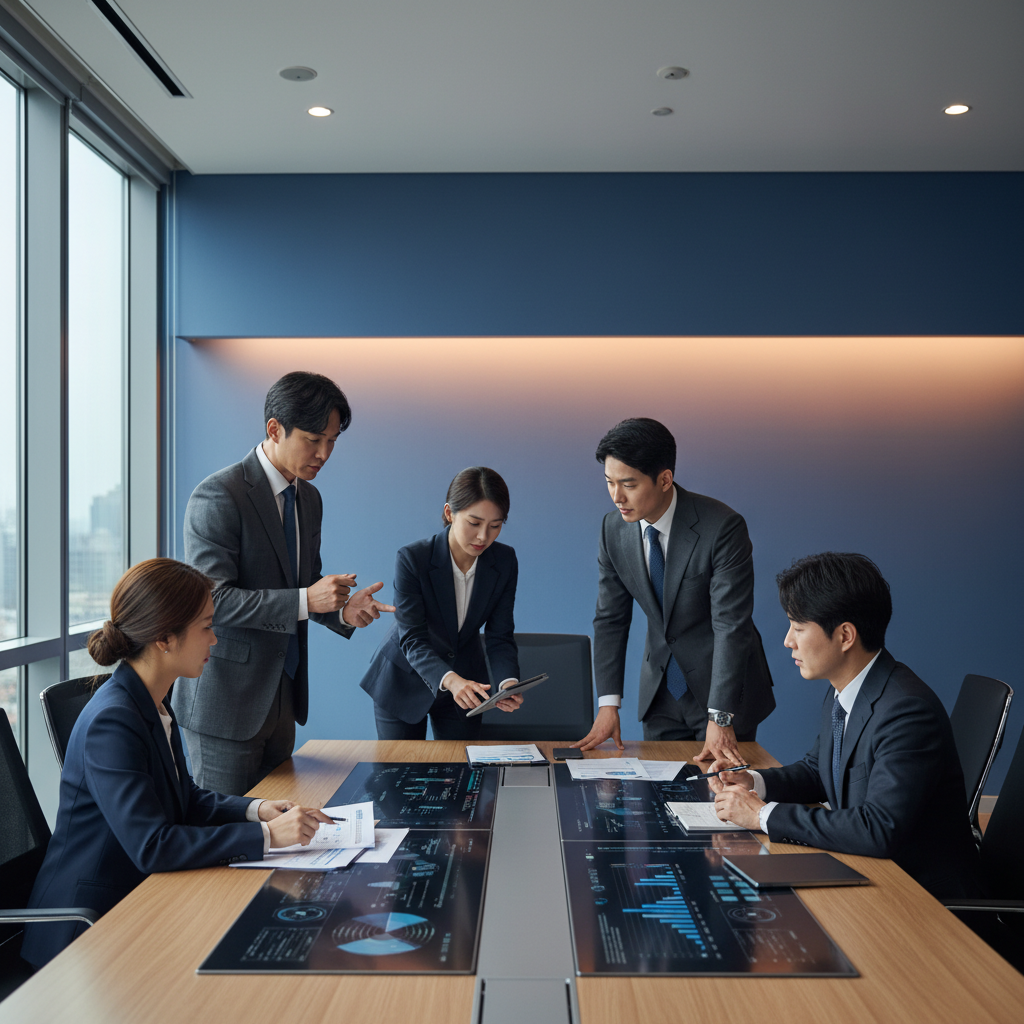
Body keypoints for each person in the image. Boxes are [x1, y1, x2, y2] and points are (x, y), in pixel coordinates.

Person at [21, 559, 333, 969]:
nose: (215, 640)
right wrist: (267, 837)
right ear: (164, 638)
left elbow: (183, 799)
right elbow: (153, 845)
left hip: (135, 901)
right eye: (206, 627)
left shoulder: (150, 700)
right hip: (85, 930)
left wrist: (257, 810)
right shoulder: (112, 721)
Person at [710, 552, 983, 900]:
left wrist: (763, 815)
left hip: (923, 901)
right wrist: (754, 782)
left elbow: (877, 828)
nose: (788, 641)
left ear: (845, 636)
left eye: (798, 628)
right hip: (876, 877)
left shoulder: (907, 711)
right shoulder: (848, 688)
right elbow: (820, 770)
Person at [172, 371, 395, 795]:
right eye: (314, 439)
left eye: (332, 441)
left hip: (283, 701)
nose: (324, 453)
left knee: (276, 837)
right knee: (228, 841)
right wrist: (308, 598)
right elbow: (213, 599)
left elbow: (306, 584)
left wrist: (342, 609)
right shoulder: (219, 494)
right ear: (274, 429)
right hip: (227, 705)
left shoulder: (308, 498)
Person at [575, 418, 775, 762]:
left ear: (664, 479)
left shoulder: (722, 528)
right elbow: (609, 619)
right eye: (609, 483)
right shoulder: (613, 530)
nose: (617, 496)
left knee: (721, 801)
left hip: (721, 690)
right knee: (663, 799)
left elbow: (731, 625)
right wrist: (608, 704)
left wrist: (720, 715)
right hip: (661, 694)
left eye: (629, 484)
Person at [359, 467, 524, 740]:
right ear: (449, 513)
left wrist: (508, 683)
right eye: (474, 523)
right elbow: (412, 638)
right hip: (404, 679)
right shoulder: (413, 559)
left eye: (495, 526)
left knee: (461, 773)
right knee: (401, 776)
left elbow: (500, 635)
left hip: (466, 683)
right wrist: (450, 679)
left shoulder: (504, 561)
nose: (484, 536)